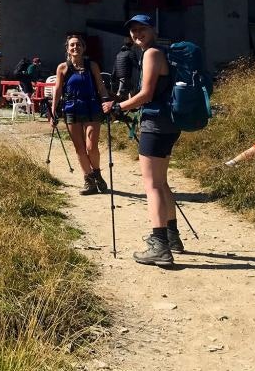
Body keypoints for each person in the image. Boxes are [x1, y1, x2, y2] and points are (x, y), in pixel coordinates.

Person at [101, 14, 183, 267]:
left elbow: (146, 94)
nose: (137, 34)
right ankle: (172, 237)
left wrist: (118, 107)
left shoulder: (151, 54)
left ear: (153, 29)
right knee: (161, 181)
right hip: (168, 124)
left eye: (142, 29)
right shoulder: (163, 52)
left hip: (155, 125)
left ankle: (159, 245)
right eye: (133, 31)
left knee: (152, 185)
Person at [52, 34, 110, 196]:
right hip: (71, 108)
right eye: (72, 45)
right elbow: (57, 89)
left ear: (84, 48)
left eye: (78, 45)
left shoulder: (92, 65)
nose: (75, 47)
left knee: (91, 147)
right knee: (80, 148)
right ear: (67, 49)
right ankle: (89, 180)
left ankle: (97, 173)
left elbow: (100, 85)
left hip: (92, 107)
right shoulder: (62, 68)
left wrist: (106, 101)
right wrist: (53, 110)